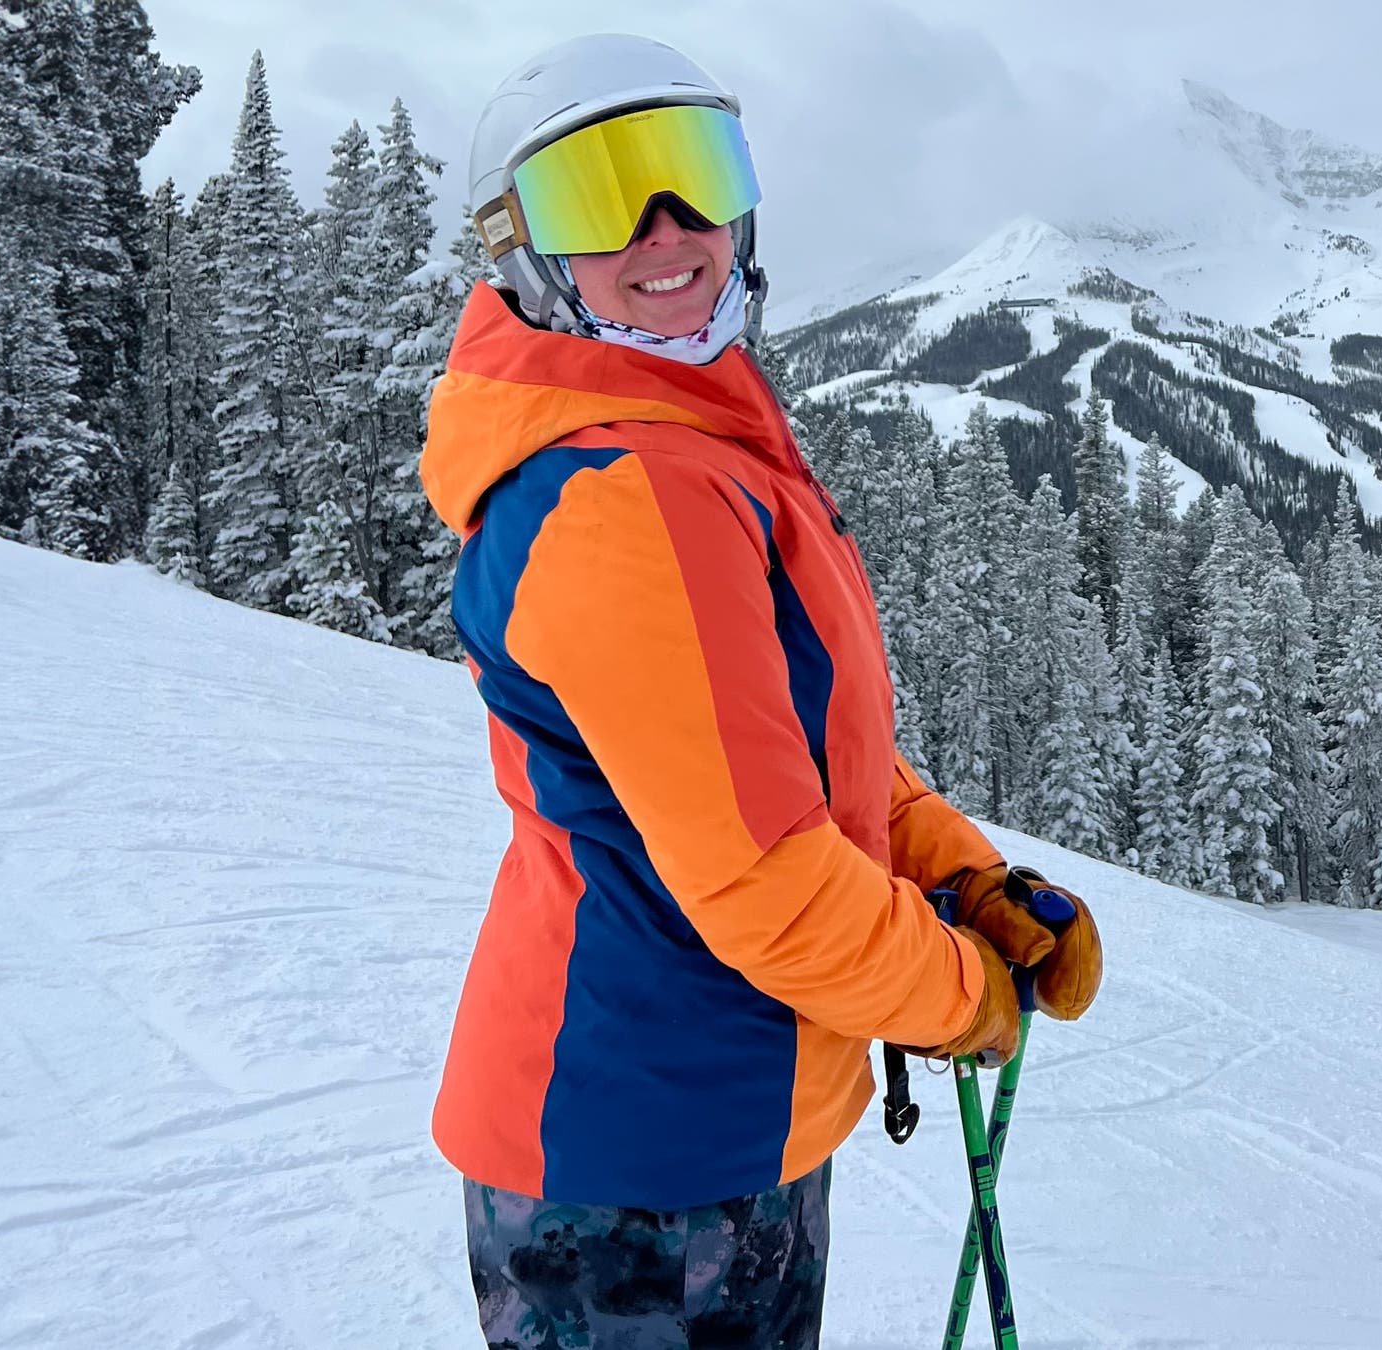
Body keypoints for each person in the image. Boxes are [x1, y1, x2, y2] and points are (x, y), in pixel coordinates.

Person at [417, 33, 1105, 1349]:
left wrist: (966, 880)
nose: (666, 227)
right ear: (521, 247)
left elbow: (807, 751)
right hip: (639, 1175)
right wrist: (964, 994)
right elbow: (769, 882)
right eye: (600, 193)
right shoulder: (628, 494)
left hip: (717, 1128)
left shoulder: (688, 439)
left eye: (694, 172)